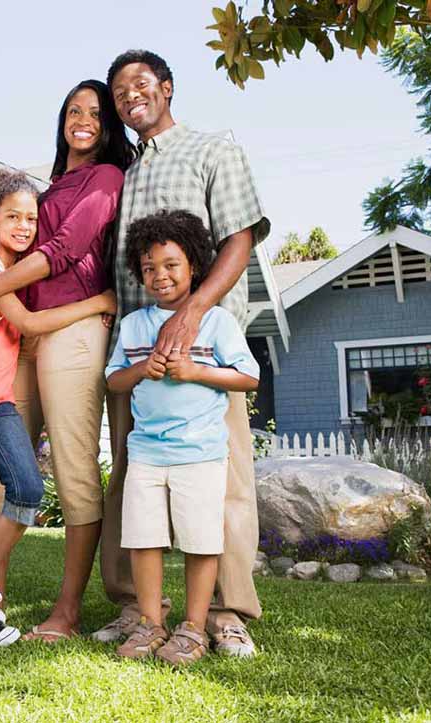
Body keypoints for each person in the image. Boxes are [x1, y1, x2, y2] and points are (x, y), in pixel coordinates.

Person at [93, 50, 270, 657]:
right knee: (132, 479)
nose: (129, 97)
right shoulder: (125, 169)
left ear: (167, 88)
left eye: (140, 85)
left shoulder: (212, 147)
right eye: (119, 92)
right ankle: (137, 610)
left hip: (203, 353)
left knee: (222, 485)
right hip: (137, 352)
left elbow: (240, 237)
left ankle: (223, 613)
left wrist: (191, 316)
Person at [0, 79, 134, 642]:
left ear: (109, 125)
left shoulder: (106, 178)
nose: (83, 120)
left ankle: (67, 612)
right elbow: (18, 249)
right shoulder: (50, 189)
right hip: (23, 335)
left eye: (95, 113)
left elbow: (62, 253)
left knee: (75, 471)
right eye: (73, 111)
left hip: (76, 329)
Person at [0, 168, 117, 645]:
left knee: (29, 487)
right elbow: (29, 325)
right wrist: (98, 302)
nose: (24, 226)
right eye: (12, 216)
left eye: (31, 219)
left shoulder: (11, 272)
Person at [105, 210, 259, 666]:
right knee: (143, 539)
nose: (160, 276)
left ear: (194, 264)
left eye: (171, 265)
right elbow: (114, 380)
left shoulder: (216, 322)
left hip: (200, 454)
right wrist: (140, 369)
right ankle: (152, 624)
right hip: (146, 456)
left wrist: (195, 371)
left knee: (199, 541)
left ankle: (193, 627)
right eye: (149, 268)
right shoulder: (134, 325)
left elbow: (249, 377)